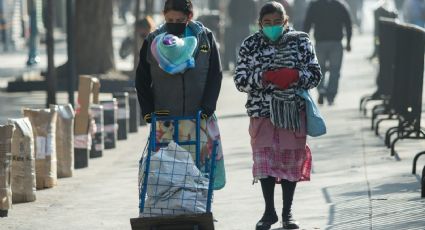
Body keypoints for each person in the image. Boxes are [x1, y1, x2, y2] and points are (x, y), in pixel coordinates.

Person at [234, 2, 322, 229]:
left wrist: (294, 75)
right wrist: (266, 77)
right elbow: (240, 80)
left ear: (285, 22)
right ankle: (269, 212)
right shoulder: (249, 45)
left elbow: (314, 74)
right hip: (261, 113)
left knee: (290, 161)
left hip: (293, 113)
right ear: (259, 24)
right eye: (267, 23)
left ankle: (287, 212)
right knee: (264, 162)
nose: (272, 27)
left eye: (277, 23)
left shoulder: (301, 41)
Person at [135, 0, 226, 190]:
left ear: (189, 17)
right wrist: (148, 112)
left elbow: (215, 75)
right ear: (163, 16)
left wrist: (208, 106)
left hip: (199, 117)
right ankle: (171, 209)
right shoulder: (153, 41)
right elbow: (142, 79)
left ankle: (200, 208)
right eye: (170, 19)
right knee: (168, 170)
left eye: (180, 19)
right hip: (165, 120)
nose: (174, 23)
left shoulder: (204, 39)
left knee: (200, 168)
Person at [303, 0, 352, 105]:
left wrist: (304, 42)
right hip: (336, 42)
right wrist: (348, 42)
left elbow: (307, 23)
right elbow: (348, 23)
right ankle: (331, 95)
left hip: (320, 42)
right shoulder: (340, 5)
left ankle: (321, 90)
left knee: (320, 69)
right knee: (335, 70)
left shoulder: (315, 5)